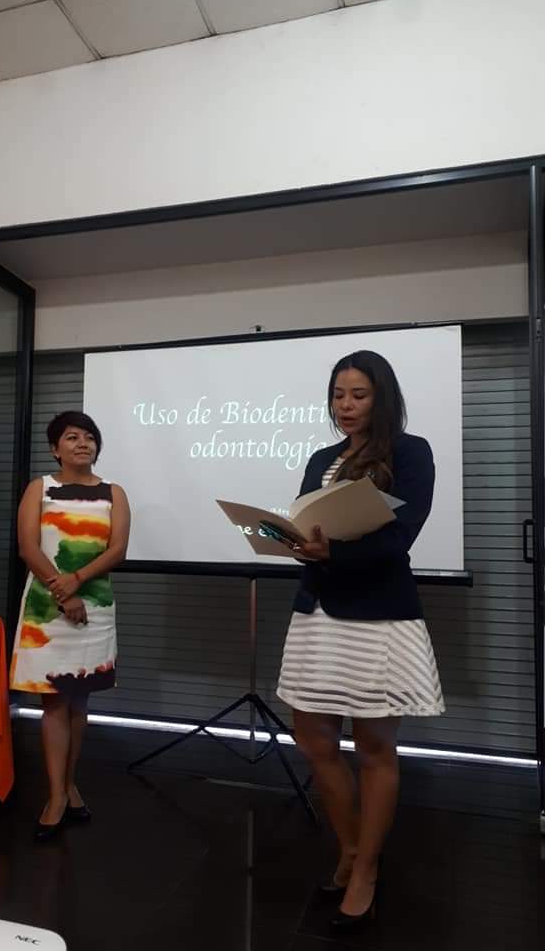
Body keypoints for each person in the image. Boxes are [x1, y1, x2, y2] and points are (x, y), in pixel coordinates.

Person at [276, 350, 444, 930]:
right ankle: (349, 848)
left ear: (382, 398)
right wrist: (293, 542)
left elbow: (401, 536)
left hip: (377, 614)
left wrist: (334, 552)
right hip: (317, 612)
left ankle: (367, 869)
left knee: (374, 746)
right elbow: (305, 524)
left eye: (358, 395)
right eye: (338, 395)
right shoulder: (322, 458)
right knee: (313, 738)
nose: (345, 406)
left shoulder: (410, 451)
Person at [10, 411, 130, 842]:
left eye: (89, 437)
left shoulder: (114, 492)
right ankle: (56, 796)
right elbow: (28, 548)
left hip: (95, 607)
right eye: (72, 437)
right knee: (55, 703)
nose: (83, 443)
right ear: (54, 448)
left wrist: (77, 581)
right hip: (47, 609)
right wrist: (63, 593)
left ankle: (68, 784)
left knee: (79, 703)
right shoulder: (39, 488)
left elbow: (117, 550)